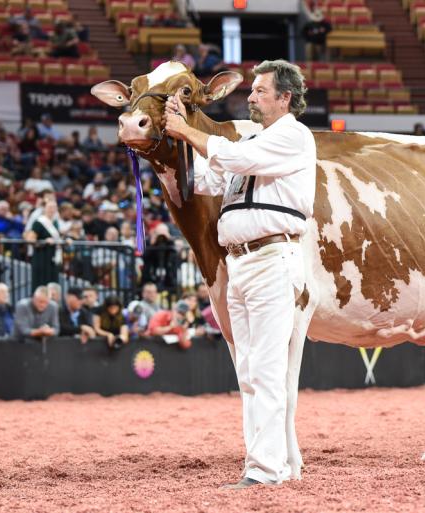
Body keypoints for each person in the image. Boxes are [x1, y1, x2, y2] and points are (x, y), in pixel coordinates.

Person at [163, 59, 315, 488]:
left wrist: (189, 131)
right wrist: (165, 140)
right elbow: (207, 181)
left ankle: (266, 470)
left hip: (271, 258)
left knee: (265, 369)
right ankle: (267, 464)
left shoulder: (293, 135)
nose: (249, 96)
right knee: (249, 371)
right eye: (251, 90)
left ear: (285, 98)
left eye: (259, 90)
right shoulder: (254, 139)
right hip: (241, 261)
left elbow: (235, 156)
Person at [25, 200, 62, 290]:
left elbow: (57, 237)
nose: (52, 210)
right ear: (44, 208)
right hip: (41, 256)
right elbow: (30, 239)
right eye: (50, 207)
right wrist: (44, 242)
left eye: (54, 207)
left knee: (52, 282)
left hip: (52, 257)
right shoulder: (39, 222)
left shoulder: (56, 222)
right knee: (41, 282)